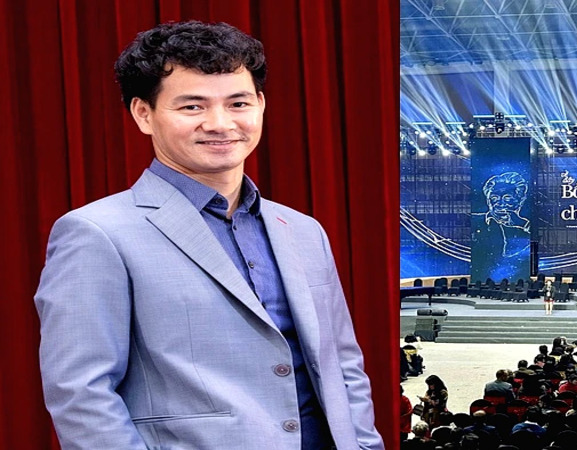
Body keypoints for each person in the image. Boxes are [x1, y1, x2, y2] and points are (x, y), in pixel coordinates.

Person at [34, 21, 383, 450]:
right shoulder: (96, 233)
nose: (220, 123)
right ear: (144, 114)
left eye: (238, 103)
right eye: (192, 107)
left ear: (260, 105)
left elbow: (342, 365)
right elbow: (81, 393)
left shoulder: (303, 230)